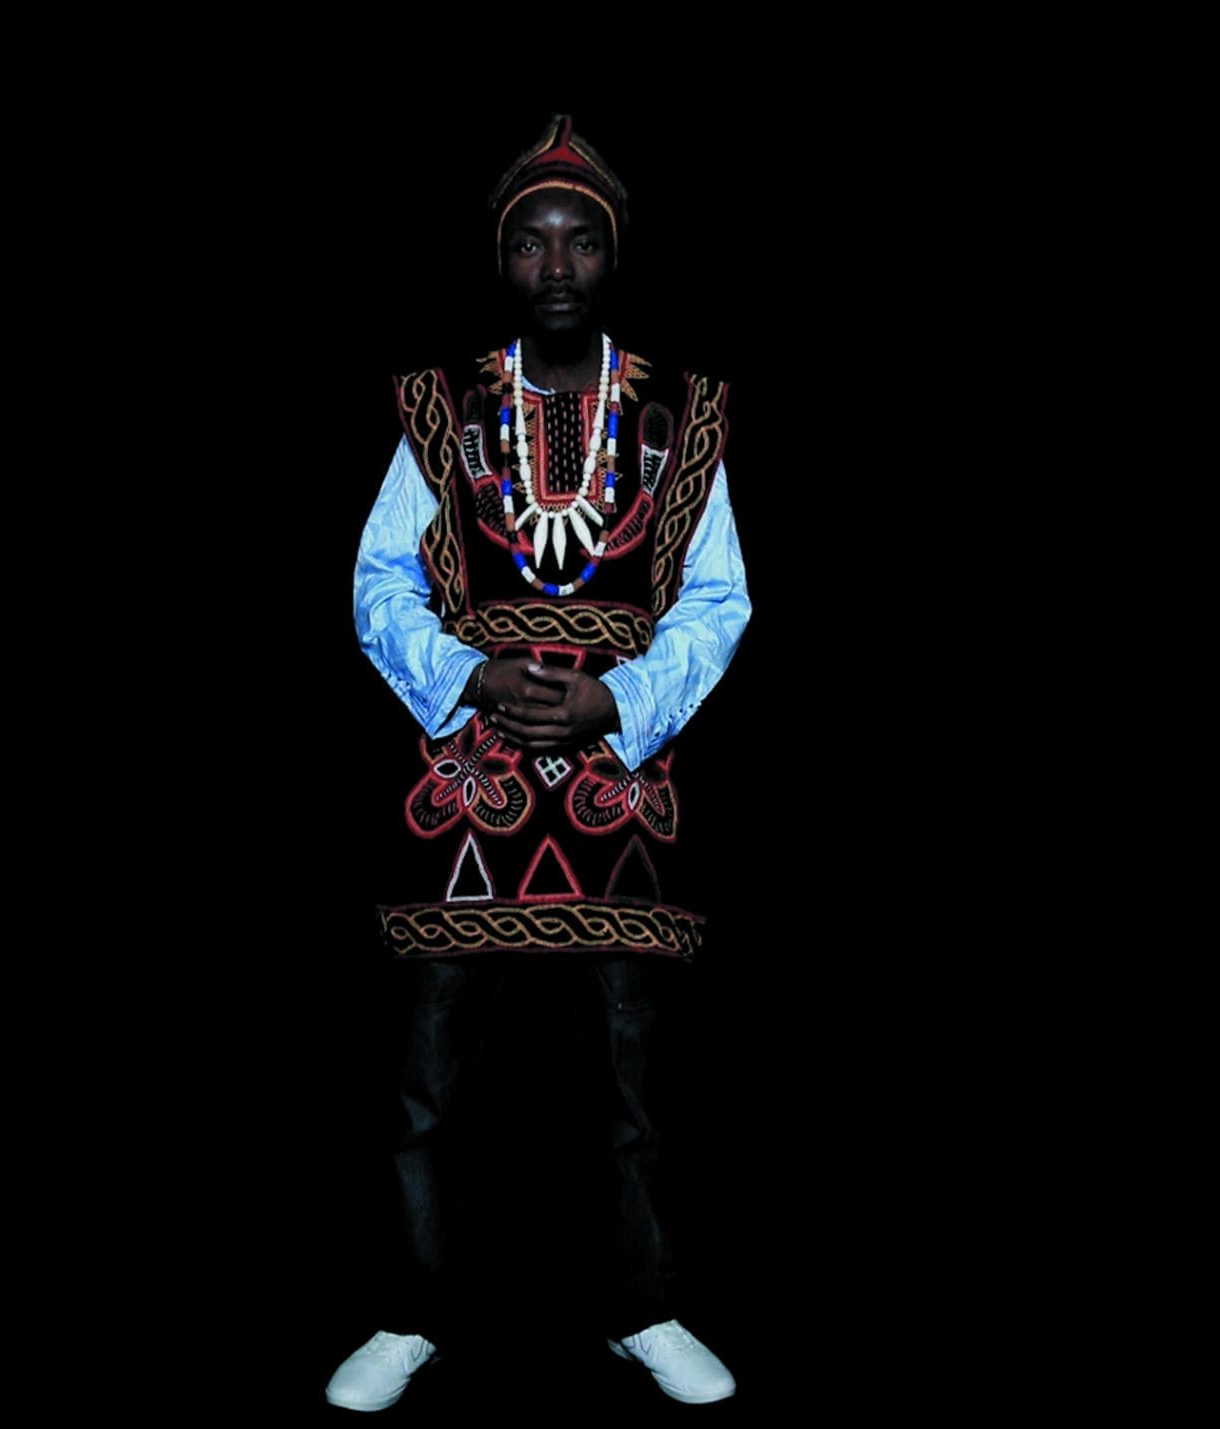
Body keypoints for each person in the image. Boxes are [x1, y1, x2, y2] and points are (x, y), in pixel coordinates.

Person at [327, 114, 751, 1412]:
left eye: (581, 240)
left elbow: (717, 598)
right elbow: (379, 579)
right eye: (530, 240)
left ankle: (644, 1304)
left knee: (631, 1071)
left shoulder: (681, 414)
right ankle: (412, 1312)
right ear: (501, 260)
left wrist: (622, 696)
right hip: (471, 770)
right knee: (431, 1072)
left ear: (613, 257)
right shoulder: (442, 408)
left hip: (621, 773)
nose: (555, 262)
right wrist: (472, 677)